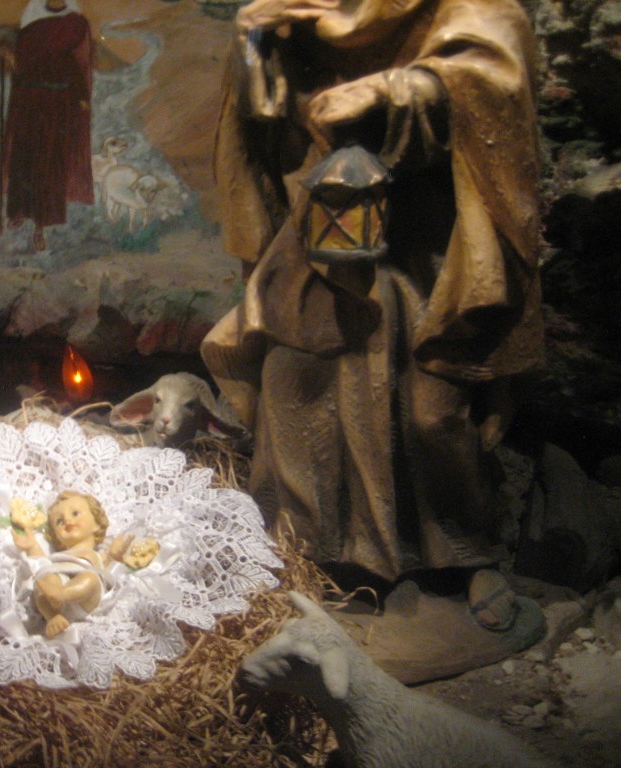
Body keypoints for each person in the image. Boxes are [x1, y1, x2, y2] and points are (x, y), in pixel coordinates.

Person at [201, 0, 544, 630]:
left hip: (430, 238)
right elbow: (269, 130)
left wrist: (393, 89)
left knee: (432, 410)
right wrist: (253, 46)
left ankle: (464, 555)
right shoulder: (299, 13)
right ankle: (311, 557)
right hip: (324, 225)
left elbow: (494, 73)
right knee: (295, 387)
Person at [0, 0, 94, 252]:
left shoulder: (75, 23)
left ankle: (40, 226)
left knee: (49, 165)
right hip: (29, 103)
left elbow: (76, 66)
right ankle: (17, 211)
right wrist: (10, 59)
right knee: (24, 159)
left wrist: (81, 97)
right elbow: (24, 66)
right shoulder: (31, 20)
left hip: (56, 106)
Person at [12, 490, 131, 638]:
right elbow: (41, 563)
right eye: (59, 521)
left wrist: (115, 555)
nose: (67, 520)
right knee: (43, 581)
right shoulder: (58, 557)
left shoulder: (97, 555)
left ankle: (61, 595)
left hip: (84, 600)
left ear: (96, 523)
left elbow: (108, 569)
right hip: (57, 600)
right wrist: (31, 546)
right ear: (57, 536)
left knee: (90, 578)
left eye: (75, 513)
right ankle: (53, 617)